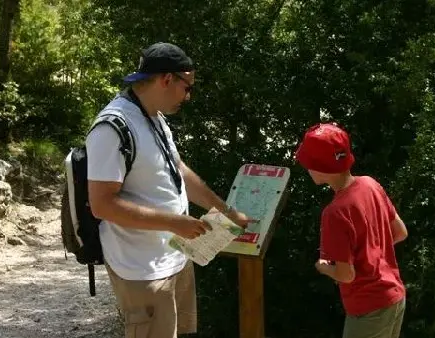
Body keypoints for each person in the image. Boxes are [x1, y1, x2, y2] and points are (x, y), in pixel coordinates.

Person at [86, 42, 254, 338]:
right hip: (142, 269)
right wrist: (174, 222)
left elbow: (178, 171)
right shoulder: (112, 127)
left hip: (174, 257)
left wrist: (224, 211)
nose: (188, 96)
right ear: (167, 79)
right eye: (187, 87)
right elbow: (102, 205)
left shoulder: (153, 117)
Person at [294, 123, 408, 338]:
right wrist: (371, 252)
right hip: (394, 297)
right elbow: (400, 232)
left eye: (307, 163)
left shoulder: (334, 213)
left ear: (320, 168)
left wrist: (323, 267)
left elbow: (346, 275)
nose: (306, 168)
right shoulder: (370, 184)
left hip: (368, 309)